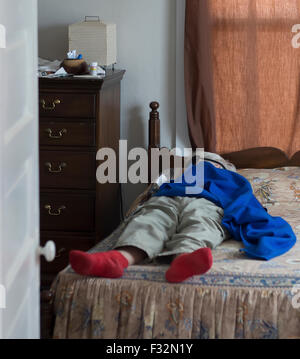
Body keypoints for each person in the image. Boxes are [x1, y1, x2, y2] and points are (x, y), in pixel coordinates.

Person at [69, 152, 236, 283]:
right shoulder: (174, 179)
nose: (206, 167)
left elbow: (246, 206)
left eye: (214, 165)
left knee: (201, 221)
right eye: (199, 163)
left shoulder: (233, 182)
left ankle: (183, 258)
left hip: (208, 202)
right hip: (168, 197)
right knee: (150, 218)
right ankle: (119, 258)